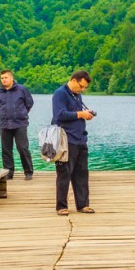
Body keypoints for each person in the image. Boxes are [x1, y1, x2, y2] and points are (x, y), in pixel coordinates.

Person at [52, 70, 95, 216]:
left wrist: (85, 114)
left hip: (80, 139)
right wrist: (80, 114)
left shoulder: (77, 95)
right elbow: (59, 115)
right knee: (64, 173)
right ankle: (61, 206)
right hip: (66, 139)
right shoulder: (60, 93)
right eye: (81, 86)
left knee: (82, 173)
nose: (82, 89)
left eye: (84, 88)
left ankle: (83, 205)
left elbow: (76, 114)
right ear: (75, 80)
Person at [0, 69, 35, 180]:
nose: (4, 80)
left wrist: (21, 114)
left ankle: (28, 171)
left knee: (22, 148)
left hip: (20, 124)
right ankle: (8, 172)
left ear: (11, 78)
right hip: (4, 124)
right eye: (2, 78)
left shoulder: (22, 89)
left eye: (6, 78)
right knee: (6, 149)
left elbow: (29, 104)